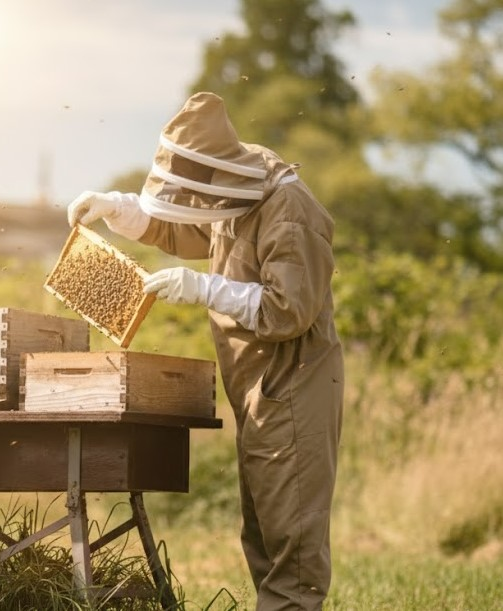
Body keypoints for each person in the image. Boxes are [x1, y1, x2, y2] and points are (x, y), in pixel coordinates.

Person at [67, 91, 344, 611]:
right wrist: (119, 209)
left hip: (295, 381)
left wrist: (205, 289)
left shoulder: (288, 209)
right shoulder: (235, 193)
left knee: (292, 541)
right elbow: (189, 228)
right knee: (263, 528)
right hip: (258, 383)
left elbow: (290, 311)